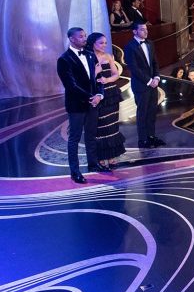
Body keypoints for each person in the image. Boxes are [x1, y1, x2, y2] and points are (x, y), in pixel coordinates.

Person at [56, 27, 110, 183]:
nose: (84, 39)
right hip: (77, 104)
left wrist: (100, 94)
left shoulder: (90, 54)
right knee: (74, 138)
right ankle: (75, 172)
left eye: (85, 36)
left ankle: (93, 164)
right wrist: (90, 97)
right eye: (81, 37)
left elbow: (98, 78)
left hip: (94, 102)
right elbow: (71, 85)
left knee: (91, 135)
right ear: (71, 39)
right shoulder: (64, 60)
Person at [86, 32, 126, 167]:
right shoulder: (88, 57)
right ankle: (101, 157)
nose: (104, 45)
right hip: (97, 94)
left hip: (111, 94)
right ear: (93, 43)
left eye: (105, 43)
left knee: (112, 125)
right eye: (101, 43)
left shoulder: (108, 56)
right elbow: (83, 78)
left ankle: (112, 155)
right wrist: (95, 73)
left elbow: (116, 74)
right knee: (100, 126)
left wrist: (106, 79)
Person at [123, 22, 163, 148]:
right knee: (142, 113)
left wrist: (156, 77)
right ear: (134, 31)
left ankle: (151, 136)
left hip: (153, 84)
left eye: (146, 29)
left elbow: (155, 62)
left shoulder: (150, 43)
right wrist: (149, 81)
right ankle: (142, 139)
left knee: (152, 112)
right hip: (141, 85)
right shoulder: (130, 47)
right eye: (142, 30)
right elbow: (134, 68)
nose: (146, 32)